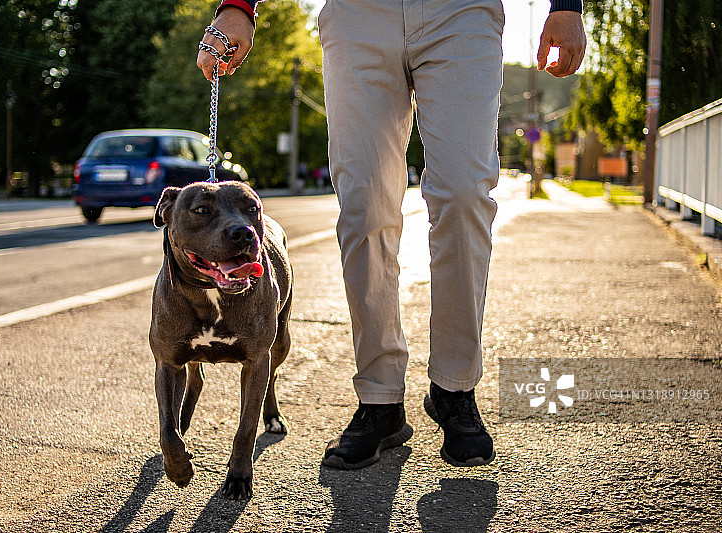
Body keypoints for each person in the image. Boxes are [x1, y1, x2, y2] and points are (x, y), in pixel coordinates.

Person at [198, 0, 586, 469]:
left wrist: (566, 6)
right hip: (358, 14)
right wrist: (239, 5)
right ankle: (380, 400)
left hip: (460, 12)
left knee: (465, 195)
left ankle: (455, 387)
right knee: (363, 208)